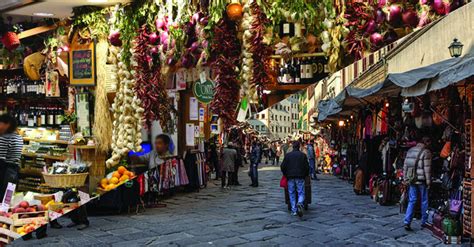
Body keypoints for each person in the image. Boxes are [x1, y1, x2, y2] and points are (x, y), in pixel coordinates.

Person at [403, 136, 432, 231]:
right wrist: (428, 182)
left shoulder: (410, 150)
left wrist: (405, 178)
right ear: (426, 143)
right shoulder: (426, 152)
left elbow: (405, 165)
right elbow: (427, 169)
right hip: (421, 180)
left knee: (412, 200)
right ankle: (424, 222)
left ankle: (407, 221)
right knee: (424, 200)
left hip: (412, 179)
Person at [281, 141, 309, 217]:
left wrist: (286, 174)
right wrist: (305, 174)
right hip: (300, 176)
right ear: (299, 146)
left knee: (291, 193)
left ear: (293, 147)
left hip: (290, 177)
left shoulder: (288, 155)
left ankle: (294, 210)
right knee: (301, 192)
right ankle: (300, 203)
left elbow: (283, 166)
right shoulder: (303, 155)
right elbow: (307, 167)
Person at [0, 114, 23, 201]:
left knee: (2, 197)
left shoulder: (4, 137)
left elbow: (1, 158)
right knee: (7, 198)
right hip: (14, 171)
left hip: (4, 171)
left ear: (7, 124)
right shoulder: (18, 136)